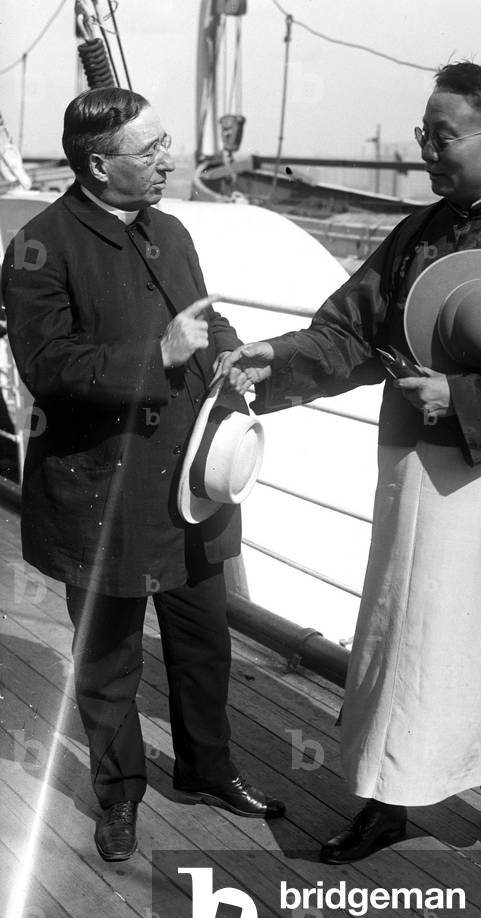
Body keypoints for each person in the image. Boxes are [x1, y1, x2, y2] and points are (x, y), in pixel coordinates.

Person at [218, 61, 481, 885]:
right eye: (424, 134)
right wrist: (275, 357)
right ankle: (386, 801)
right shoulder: (414, 236)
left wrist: (461, 395)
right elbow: (350, 334)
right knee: (405, 636)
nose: (427, 149)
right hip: (418, 471)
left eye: (443, 136)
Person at [1, 87, 284, 862]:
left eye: (165, 143)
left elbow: (205, 317)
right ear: (99, 164)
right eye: (151, 148)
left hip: (189, 482)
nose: (169, 159)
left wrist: (230, 353)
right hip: (104, 491)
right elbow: (47, 366)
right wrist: (156, 356)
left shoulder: (172, 230)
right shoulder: (40, 246)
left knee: (204, 641)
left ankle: (207, 768)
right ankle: (120, 793)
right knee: (108, 657)